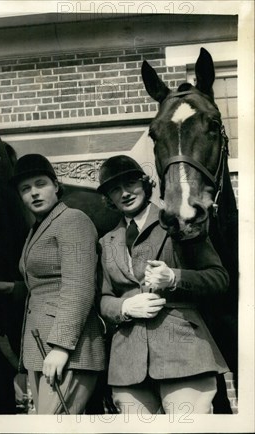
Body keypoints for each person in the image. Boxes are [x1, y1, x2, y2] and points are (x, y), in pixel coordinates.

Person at [97, 155, 229, 414]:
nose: (124, 193)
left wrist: (174, 278)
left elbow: (218, 277)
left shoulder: (181, 221)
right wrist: (124, 307)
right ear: (109, 198)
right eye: (114, 189)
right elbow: (103, 299)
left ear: (146, 184)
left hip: (183, 353)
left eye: (131, 183)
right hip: (127, 363)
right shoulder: (107, 241)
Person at [0, 153, 105, 414]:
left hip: (68, 351)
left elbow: (79, 285)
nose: (34, 193)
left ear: (56, 185)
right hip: (41, 348)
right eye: (25, 189)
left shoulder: (73, 220)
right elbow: (45, 284)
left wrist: (62, 347)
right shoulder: (38, 227)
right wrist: (12, 288)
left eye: (40, 184)